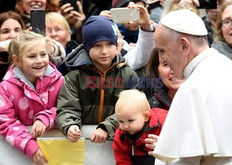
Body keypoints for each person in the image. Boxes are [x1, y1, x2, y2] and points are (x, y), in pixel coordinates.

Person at [152, 9, 232, 164]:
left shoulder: (192, 89)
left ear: (184, 46)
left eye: (163, 50)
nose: (162, 58)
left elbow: (184, 161)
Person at [56, 15, 138, 144]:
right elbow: (67, 108)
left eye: (109, 44)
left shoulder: (128, 74)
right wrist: (70, 125)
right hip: (83, 143)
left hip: (117, 142)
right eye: (97, 45)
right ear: (87, 47)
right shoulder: (74, 76)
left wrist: (107, 127)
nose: (104, 51)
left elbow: (133, 108)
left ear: (116, 45)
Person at [0, 31, 64, 165]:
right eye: (32, 56)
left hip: (60, 152)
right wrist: (28, 144)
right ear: (17, 60)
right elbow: (6, 123)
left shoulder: (59, 80)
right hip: (21, 156)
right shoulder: (5, 88)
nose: (39, 60)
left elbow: (68, 108)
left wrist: (45, 118)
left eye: (43, 54)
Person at [112, 89, 168, 165]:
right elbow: (122, 160)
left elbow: (180, 142)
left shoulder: (164, 122)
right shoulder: (121, 135)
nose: (125, 126)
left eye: (130, 120)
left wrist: (165, 145)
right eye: (121, 121)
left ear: (146, 116)